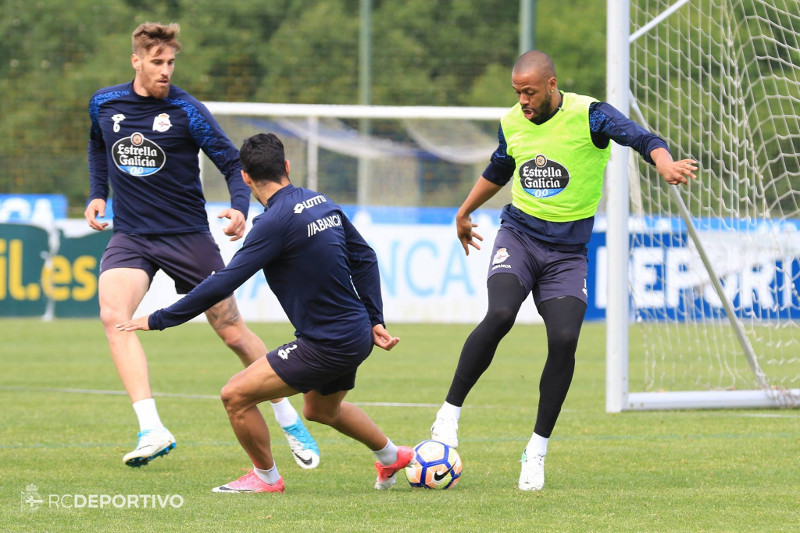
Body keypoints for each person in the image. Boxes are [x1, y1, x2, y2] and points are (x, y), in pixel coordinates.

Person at [429, 50, 698, 491]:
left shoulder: (590, 116)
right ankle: (448, 416)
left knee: (566, 339)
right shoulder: (513, 122)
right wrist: (464, 211)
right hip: (518, 238)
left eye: (530, 92)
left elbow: (641, 137)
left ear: (552, 85)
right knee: (500, 315)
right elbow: (500, 167)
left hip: (567, 256)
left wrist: (663, 161)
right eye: (517, 92)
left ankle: (535, 451)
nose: (523, 101)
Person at [116, 132, 412, 493]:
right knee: (320, 410)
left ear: (244, 177)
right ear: (286, 167)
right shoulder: (320, 201)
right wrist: (375, 318)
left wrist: (160, 318)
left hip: (327, 343)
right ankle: (391, 456)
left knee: (235, 396)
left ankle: (266, 479)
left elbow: (222, 282)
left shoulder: (273, 224)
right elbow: (365, 257)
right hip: (355, 333)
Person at [85, 22, 319, 469]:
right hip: (131, 236)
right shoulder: (104, 102)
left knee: (231, 329)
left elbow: (232, 163)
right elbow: (98, 147)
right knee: (114, 316)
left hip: (187, 237)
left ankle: (288, 416)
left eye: (171, 62)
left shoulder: (187, 110)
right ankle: (151, 427)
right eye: (157, 63)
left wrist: (238, 207)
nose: (166, 71)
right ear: (136, 60)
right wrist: (98, 192)